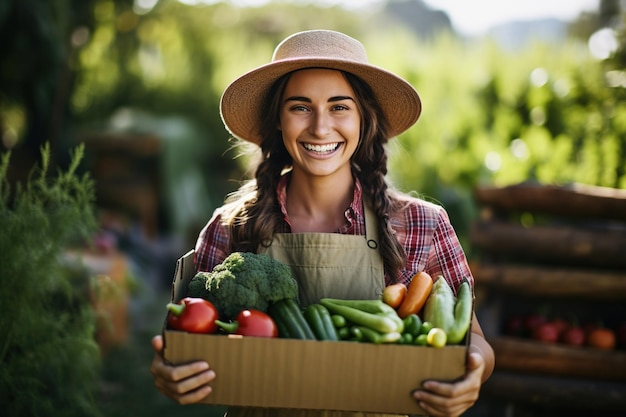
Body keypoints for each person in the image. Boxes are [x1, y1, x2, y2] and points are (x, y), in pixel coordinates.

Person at [151, 29, 495, 417]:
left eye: (339, 107)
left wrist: (474, 371)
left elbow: (475, 341)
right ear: (278, 120)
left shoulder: (421, 224)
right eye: (300, 107)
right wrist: (171, 369)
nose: (319, 127)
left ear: (364, 119)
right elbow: (182, 335)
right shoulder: (230, 227)